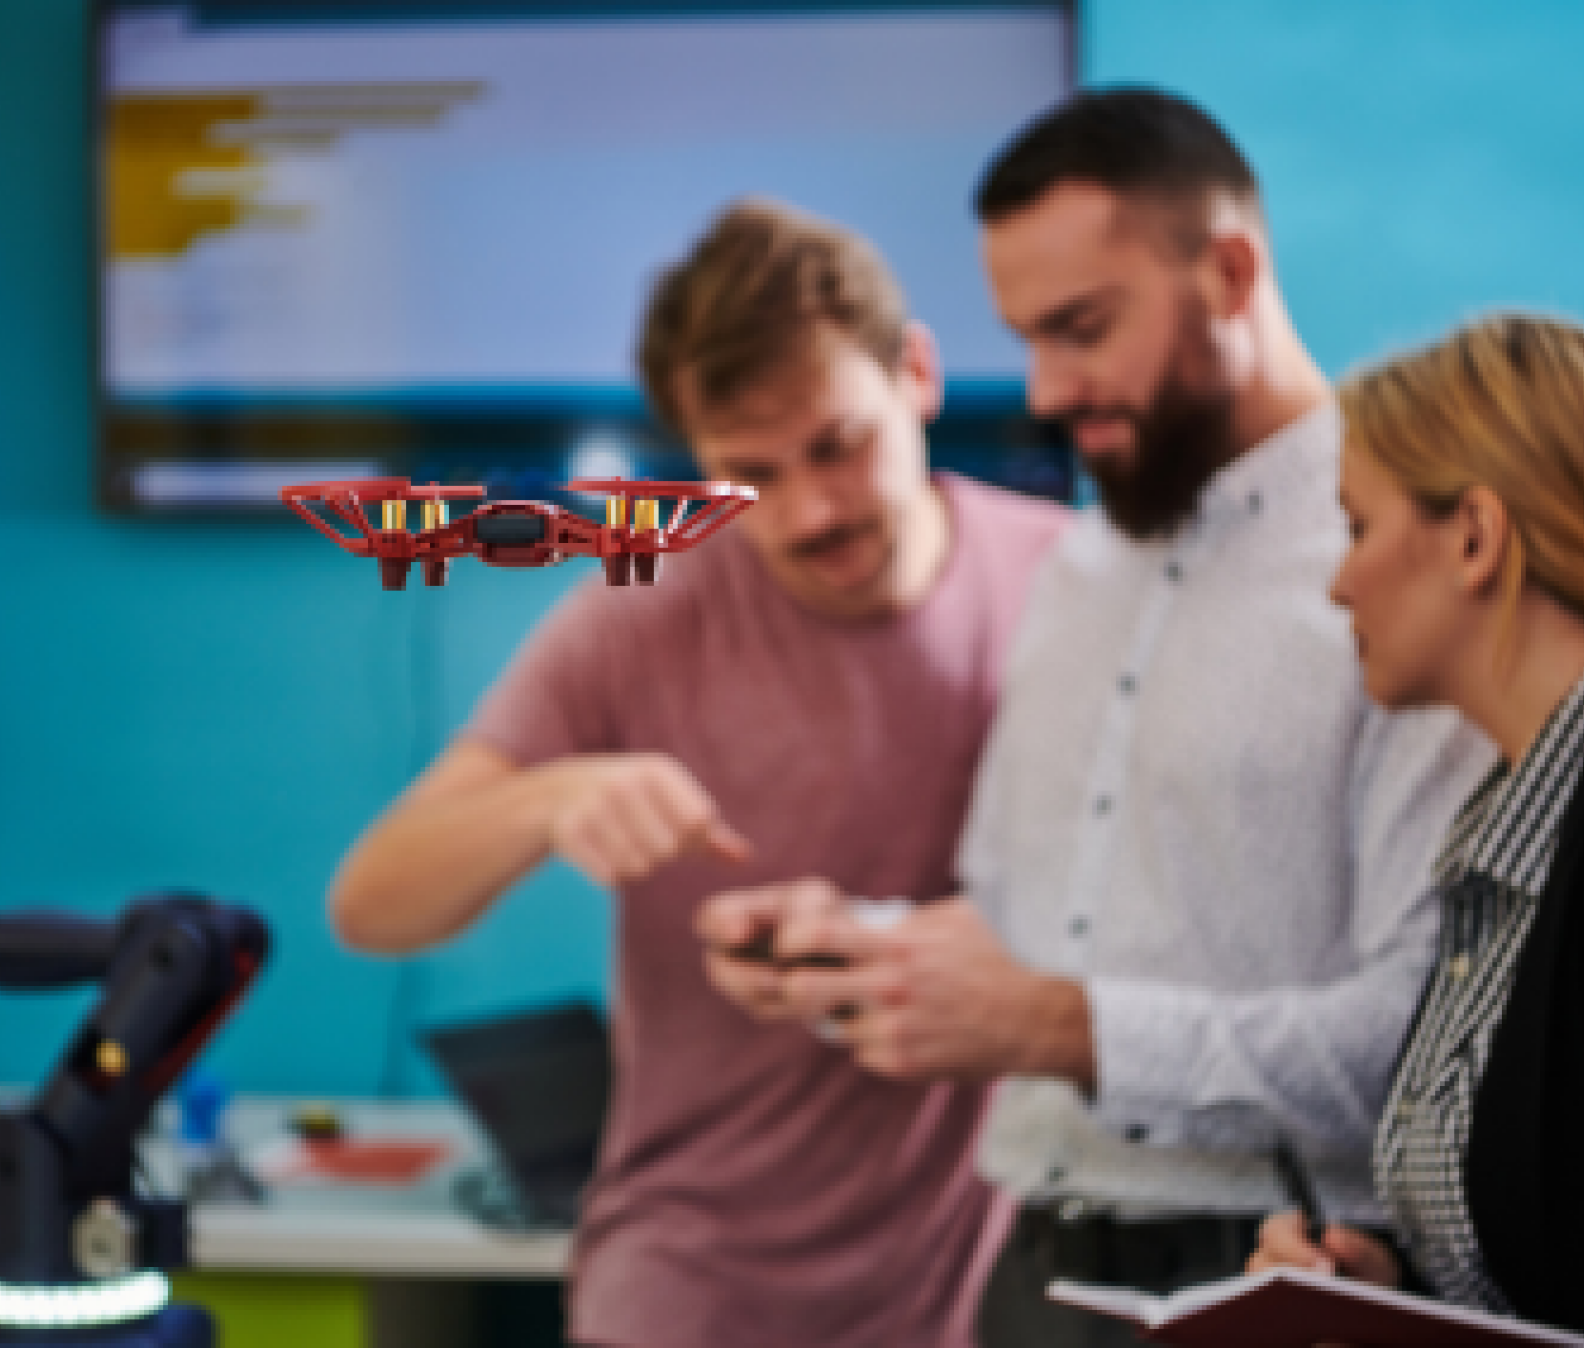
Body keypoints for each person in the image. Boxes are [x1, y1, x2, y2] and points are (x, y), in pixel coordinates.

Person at [699, 89, 1492, 1346]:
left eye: (1082, 328)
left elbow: (1436, 1032)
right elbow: (1024, 927)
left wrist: (1066, 1029)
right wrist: (855, 946)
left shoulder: (1401, 564)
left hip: (1286, 1275)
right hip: (1034, 1269)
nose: (1048, 387)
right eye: (1027, 337)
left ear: (1230, 273)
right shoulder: (1077, 567)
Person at [329, 198, 1070, 1347]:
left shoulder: (1073, 585)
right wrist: (548, 797)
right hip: (689, 1279)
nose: (810, 511)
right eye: (751, 473)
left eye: (838, 445)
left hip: (986, 1286)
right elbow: (372, 902)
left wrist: (897, 941)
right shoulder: (643, 618)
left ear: (917, 374)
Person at [1247, 314, 1584, 1346]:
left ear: (1474, 538)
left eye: (1357, 527)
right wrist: (1399, 1289)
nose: (1338, 583)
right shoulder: (1513, 817)